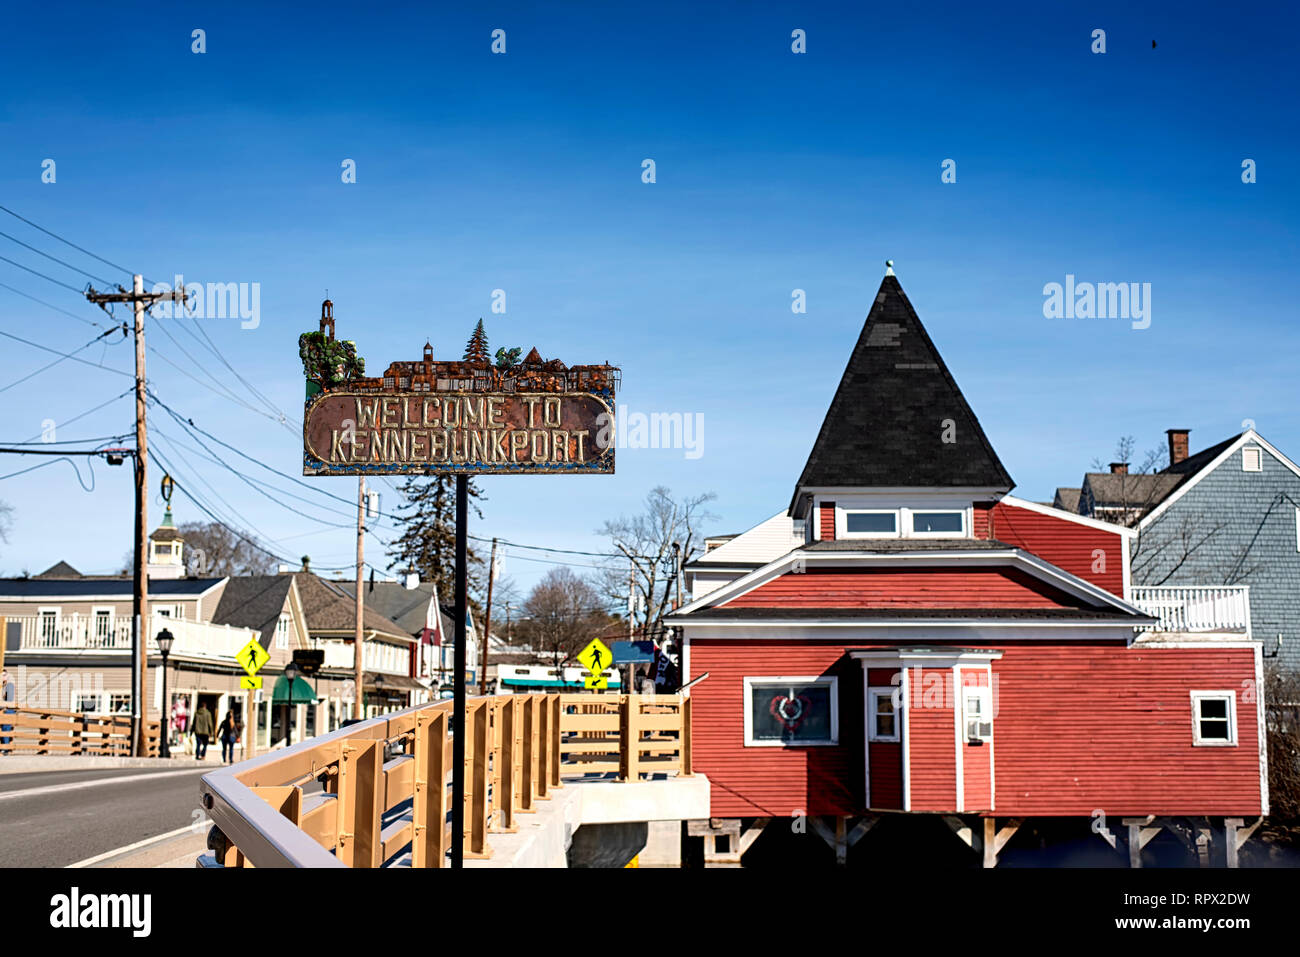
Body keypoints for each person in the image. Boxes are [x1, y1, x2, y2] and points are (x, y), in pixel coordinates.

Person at [0, 669, 14, 751]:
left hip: (8, 710)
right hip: (4, 710)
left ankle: (5, 748)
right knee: (4, 728)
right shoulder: (4, 687)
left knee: (6, 728)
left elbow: (9, 701)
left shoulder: (9, 685)